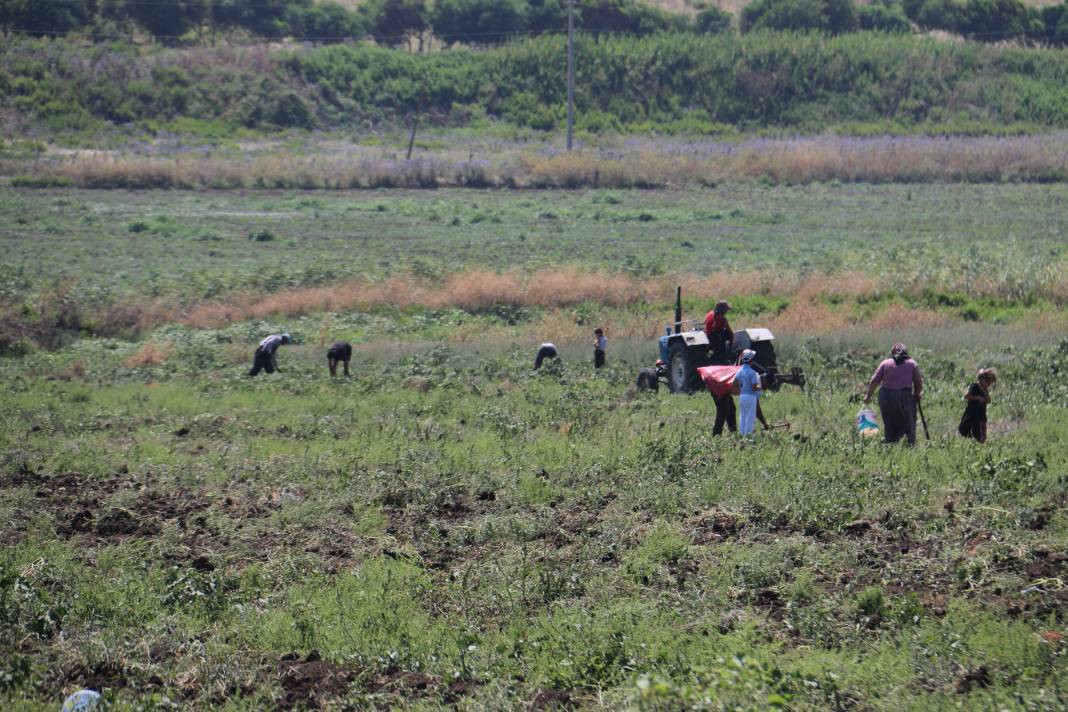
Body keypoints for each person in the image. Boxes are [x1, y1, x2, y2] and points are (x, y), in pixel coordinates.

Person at [864, 342, 923, 445]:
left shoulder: (885, 363)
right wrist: (917, 395)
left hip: (885, 396)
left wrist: (867, 396)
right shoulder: (911, 363)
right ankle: (909, 445)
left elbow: (874, 381)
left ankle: (890, 444)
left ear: (892, 353)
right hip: (904, 396)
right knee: (909, 423)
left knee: (889, 423)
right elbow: (918, 382)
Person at [959, 368, 996, 442]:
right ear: (982, 380)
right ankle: (974, 444)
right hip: (973, 414)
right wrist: (977, 398)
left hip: (982, 415)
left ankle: (979, 444)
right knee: (974, 432)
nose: (988, 385)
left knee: (983, 436)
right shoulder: (974, 386)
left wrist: (984, 392)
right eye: (988, 383)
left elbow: (988, 400)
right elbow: (967, 396)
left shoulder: (984, 389)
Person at [736, 349, 762, 435]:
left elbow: (737, 383)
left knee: (742, 415)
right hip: (751, 396)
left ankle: (742, 434)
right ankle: (748, 435)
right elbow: (754, 387)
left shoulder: (739, 371)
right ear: (751, 360)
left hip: (742, 396)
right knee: (750, 417)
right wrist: (760, 387)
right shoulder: (752, 372)